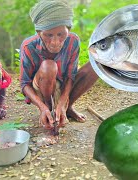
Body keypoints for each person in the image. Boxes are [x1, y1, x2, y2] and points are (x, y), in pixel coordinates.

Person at [19, 0, 98, 131]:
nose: (55, 42)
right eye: (48, 35)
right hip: (41, 85)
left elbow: (70, 76)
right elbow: (24, 84)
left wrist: (62, 102)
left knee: (95, 66)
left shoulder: (73, 41)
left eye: (61, 34)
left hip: (62, 84)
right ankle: (50, 112)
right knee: (49, 66)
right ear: (39, 32)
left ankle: (66, 108)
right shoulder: (28, 46)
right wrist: (42, 107)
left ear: (69, 29)